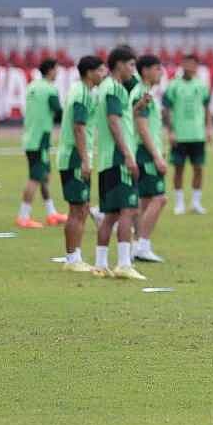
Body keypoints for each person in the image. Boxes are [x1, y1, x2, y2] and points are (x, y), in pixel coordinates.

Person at [91, 46, 143, 279]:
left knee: (110, 213)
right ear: (119, 64)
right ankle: (123, 263)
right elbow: (114, 122)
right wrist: (129, 155)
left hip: (105, 159)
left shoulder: (105, 88)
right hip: (118, 157)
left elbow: (118, 117)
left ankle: (101, 263)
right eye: (131, 65)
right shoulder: (115, 88)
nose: (133, 70)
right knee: (128, 210)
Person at [53, 55, 108, 273]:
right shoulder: (83, 94)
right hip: (74, 158)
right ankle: (72, 258)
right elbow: (78, 127)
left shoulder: (83, 91)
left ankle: (75, 255)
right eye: (101, 70)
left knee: (82, 208)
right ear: (90, 72)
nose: (103, 74)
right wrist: (85, 159)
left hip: (76, 156)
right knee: (77, 209)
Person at [131, 55, 170, 265]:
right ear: (145, 70)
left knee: (145, 201)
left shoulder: (144, 92)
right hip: (145, 153)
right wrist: (156, 156)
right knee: (159, 198)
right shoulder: (142, 93)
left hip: (146, 151)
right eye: (157, 68)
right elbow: (142, 127)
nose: (161, 72)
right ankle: (142, 246)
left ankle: (135, 243)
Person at [17, 57, 64, 229]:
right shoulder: (50, 89)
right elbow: (58, 113)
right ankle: (23, 216)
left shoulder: (32, 86)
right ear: (51, 70)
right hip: (41, 138)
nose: (57, 72)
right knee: (35, 178)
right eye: (56, 69)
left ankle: (51, 213)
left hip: (30, 135)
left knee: (44, 177)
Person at [162, 54, 211, 216]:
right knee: (178, 169)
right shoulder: (173, 85)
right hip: (180, 135)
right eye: (187, 63)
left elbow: (207, 108)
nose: (190, 66)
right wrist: (170, 131)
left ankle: (196, 203)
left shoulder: (202, 85)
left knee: (198, 168)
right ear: (182, 65)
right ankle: (179, 203)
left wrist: (208, 129)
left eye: (193, 64)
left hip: (197, 134)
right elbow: (166, 110)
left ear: (197, 66)